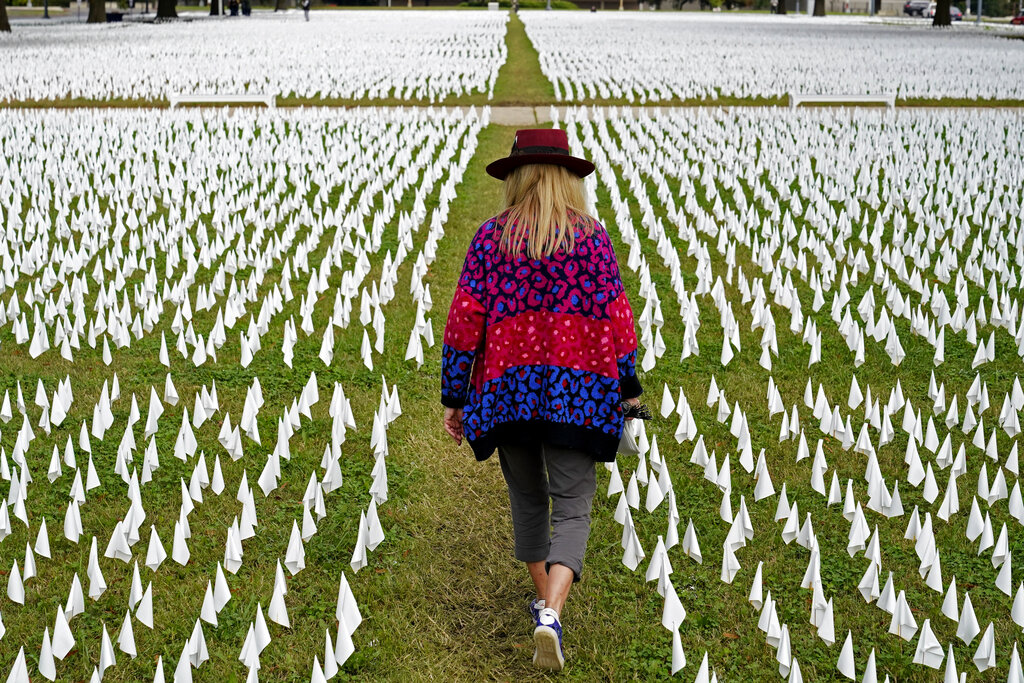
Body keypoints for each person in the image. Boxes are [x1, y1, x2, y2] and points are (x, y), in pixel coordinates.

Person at [441, 128, 643, 672]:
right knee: (573, 505)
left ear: (517, 178)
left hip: (506, 395)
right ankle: (551, 610)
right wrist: (627, 387)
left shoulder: (490, 239)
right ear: (567, 179)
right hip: (577, 393)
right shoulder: (593, 239)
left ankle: (544, 606)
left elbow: (464, 324)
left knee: (528, 499)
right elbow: (618, 321)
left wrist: (455, 395)